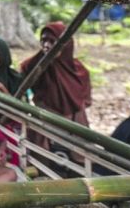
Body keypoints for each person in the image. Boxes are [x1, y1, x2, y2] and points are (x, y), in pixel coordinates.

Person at [20, 22, 91, 160]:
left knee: (79, 163)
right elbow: (20, 90)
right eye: (43, 40)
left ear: (65, 44)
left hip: (75, 122)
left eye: (52, 41)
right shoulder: (32, 66)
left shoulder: (80, 71)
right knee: (43, 161)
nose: (46, 45)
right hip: (45, 121)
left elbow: (86, 100)